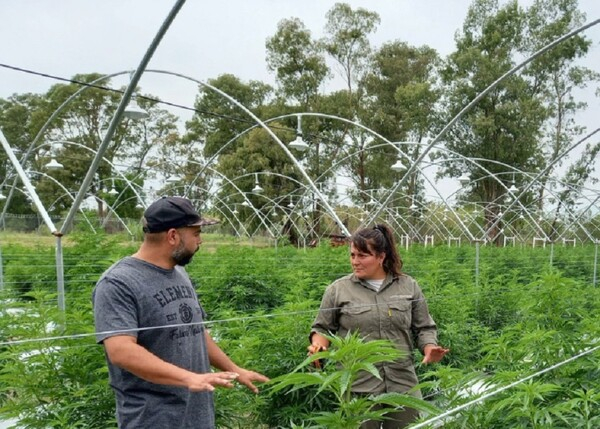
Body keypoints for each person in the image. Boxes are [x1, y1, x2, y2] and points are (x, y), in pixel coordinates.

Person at [92, 196, 269, 429]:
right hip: (154, 419)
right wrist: (190, 378)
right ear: (173, 236)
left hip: (197, 414)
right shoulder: (118, 283)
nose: (200, 241)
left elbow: (196, 331)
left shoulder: (179, 274)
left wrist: (234, 369)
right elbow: (121, 351)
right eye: (195, 234)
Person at [308, 224, 448, 429]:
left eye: (363, 256)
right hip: (358, 386)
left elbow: (424, 327)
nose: (355, 261)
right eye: (352, 255)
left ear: (381, 257)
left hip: (402, 384)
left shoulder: (408, 286)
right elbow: (322, 328)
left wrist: (429, 347)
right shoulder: (338, 290)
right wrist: (318, 347)